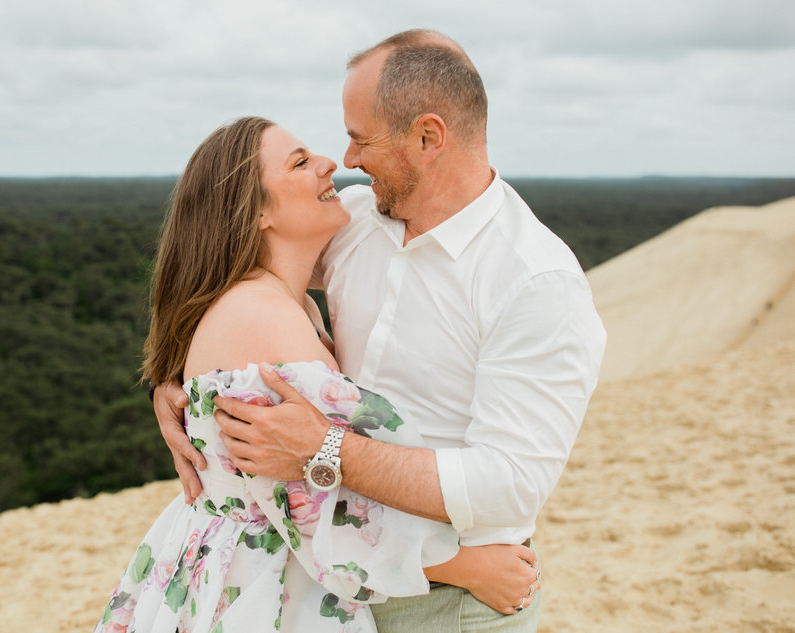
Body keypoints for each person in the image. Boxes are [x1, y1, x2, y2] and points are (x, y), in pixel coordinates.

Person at [155, 30, 606, 632]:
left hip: (455, 599)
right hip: (330, 585)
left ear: (428, 137)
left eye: (360, 138)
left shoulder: (534, 281)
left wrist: (324, 450)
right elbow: (233, 260)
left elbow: (510, 484)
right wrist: (186, 388)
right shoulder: (358, 221)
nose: (346, 161)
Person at [94, 116, 541, 633]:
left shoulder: (288, 304)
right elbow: (304, 505)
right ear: (257, 210)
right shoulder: (263, 319)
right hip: (262, 585)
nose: (331, 162)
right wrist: (465, 567)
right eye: (300, 162)